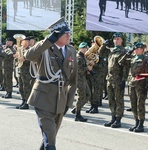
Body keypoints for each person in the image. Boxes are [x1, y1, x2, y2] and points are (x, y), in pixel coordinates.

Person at [24, 17, 77, 150]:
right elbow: (28, 56)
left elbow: (73, 80)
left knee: (49, 136)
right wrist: (48, 41)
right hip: (43, 98)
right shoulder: (45, 48)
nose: (68, 35)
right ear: (56, 34)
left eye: (69, 33)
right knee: (50, 138)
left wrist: (68, 102)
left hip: (61, 99)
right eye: (65, 33)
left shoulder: (71, 51)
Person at [100, 32, 129, 128]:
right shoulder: (111, 50)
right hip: (109, 78)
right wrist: (104, 45)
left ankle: (118, 119)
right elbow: (100, 53)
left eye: (118, 39)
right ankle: (113, 117)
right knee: (111, 99)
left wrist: (124, 80)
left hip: (118, 79)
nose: (116, 40)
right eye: (115, 39)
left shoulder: (124, 51)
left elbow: (125, 67)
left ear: (121, 40)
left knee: (119, 100)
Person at [120, 42, 148, 132]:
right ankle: (136, 122)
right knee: (133, 105)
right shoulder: (132, 58)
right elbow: (121, 62)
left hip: (141, 85)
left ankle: (141, 124)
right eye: (135, 49)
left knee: (140, 105)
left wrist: (147, 86)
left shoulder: (146, 60)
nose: (136, 50)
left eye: (138, 48)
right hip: (132, 83)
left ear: (142, 49)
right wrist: (128, 53)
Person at [71, 42, 93, 120]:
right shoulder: (79, 57)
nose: (84, 49)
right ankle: (78, 115)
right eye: (83, 48)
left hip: (83, 79)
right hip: (79, 79)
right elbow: (78, 69)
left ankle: (76, 108)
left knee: (88, 95)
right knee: (81, 97)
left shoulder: (83, 56)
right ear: (80, 48)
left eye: (85, 48)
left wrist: (89, 66)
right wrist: (88, 68)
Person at [14, 37, 32, 109]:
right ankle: (23, 100)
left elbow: (32, 59)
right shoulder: (20, 50)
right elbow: (17, 60)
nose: (23, 43)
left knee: (26, 87)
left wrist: (25, 59)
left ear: (28, 42)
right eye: (23, 41)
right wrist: (16, 57)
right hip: (20, 70)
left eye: (25, 41)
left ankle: (27, 102)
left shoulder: (30, 50)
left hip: (26, 71)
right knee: (20, 87)